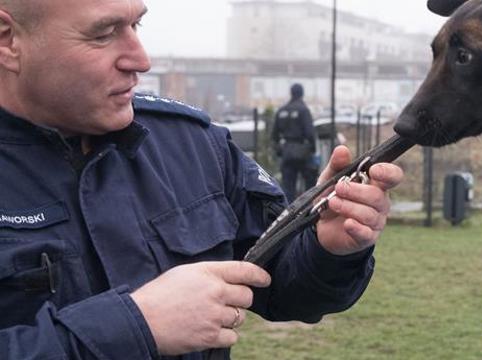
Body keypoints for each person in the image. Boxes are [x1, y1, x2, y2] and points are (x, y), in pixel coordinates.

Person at [0, 1, 403, 359]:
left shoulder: (192, 145)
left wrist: (326, 247)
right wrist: (135, 327)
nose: (141, 60)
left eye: (136, 26)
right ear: (8, 40)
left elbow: (283, 289)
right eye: (103, 34)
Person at [271, 83, 317, 202]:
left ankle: (289, 213)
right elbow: (310, 132)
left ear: (291, 93)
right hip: (302, 151)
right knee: (309, 183)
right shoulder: (303, 110)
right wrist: (312, 148)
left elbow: (274, 135)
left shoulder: (282, 110)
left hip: (287, 150)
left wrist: (279, 150)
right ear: (302, 94)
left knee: (288, 186)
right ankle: (306, 208)